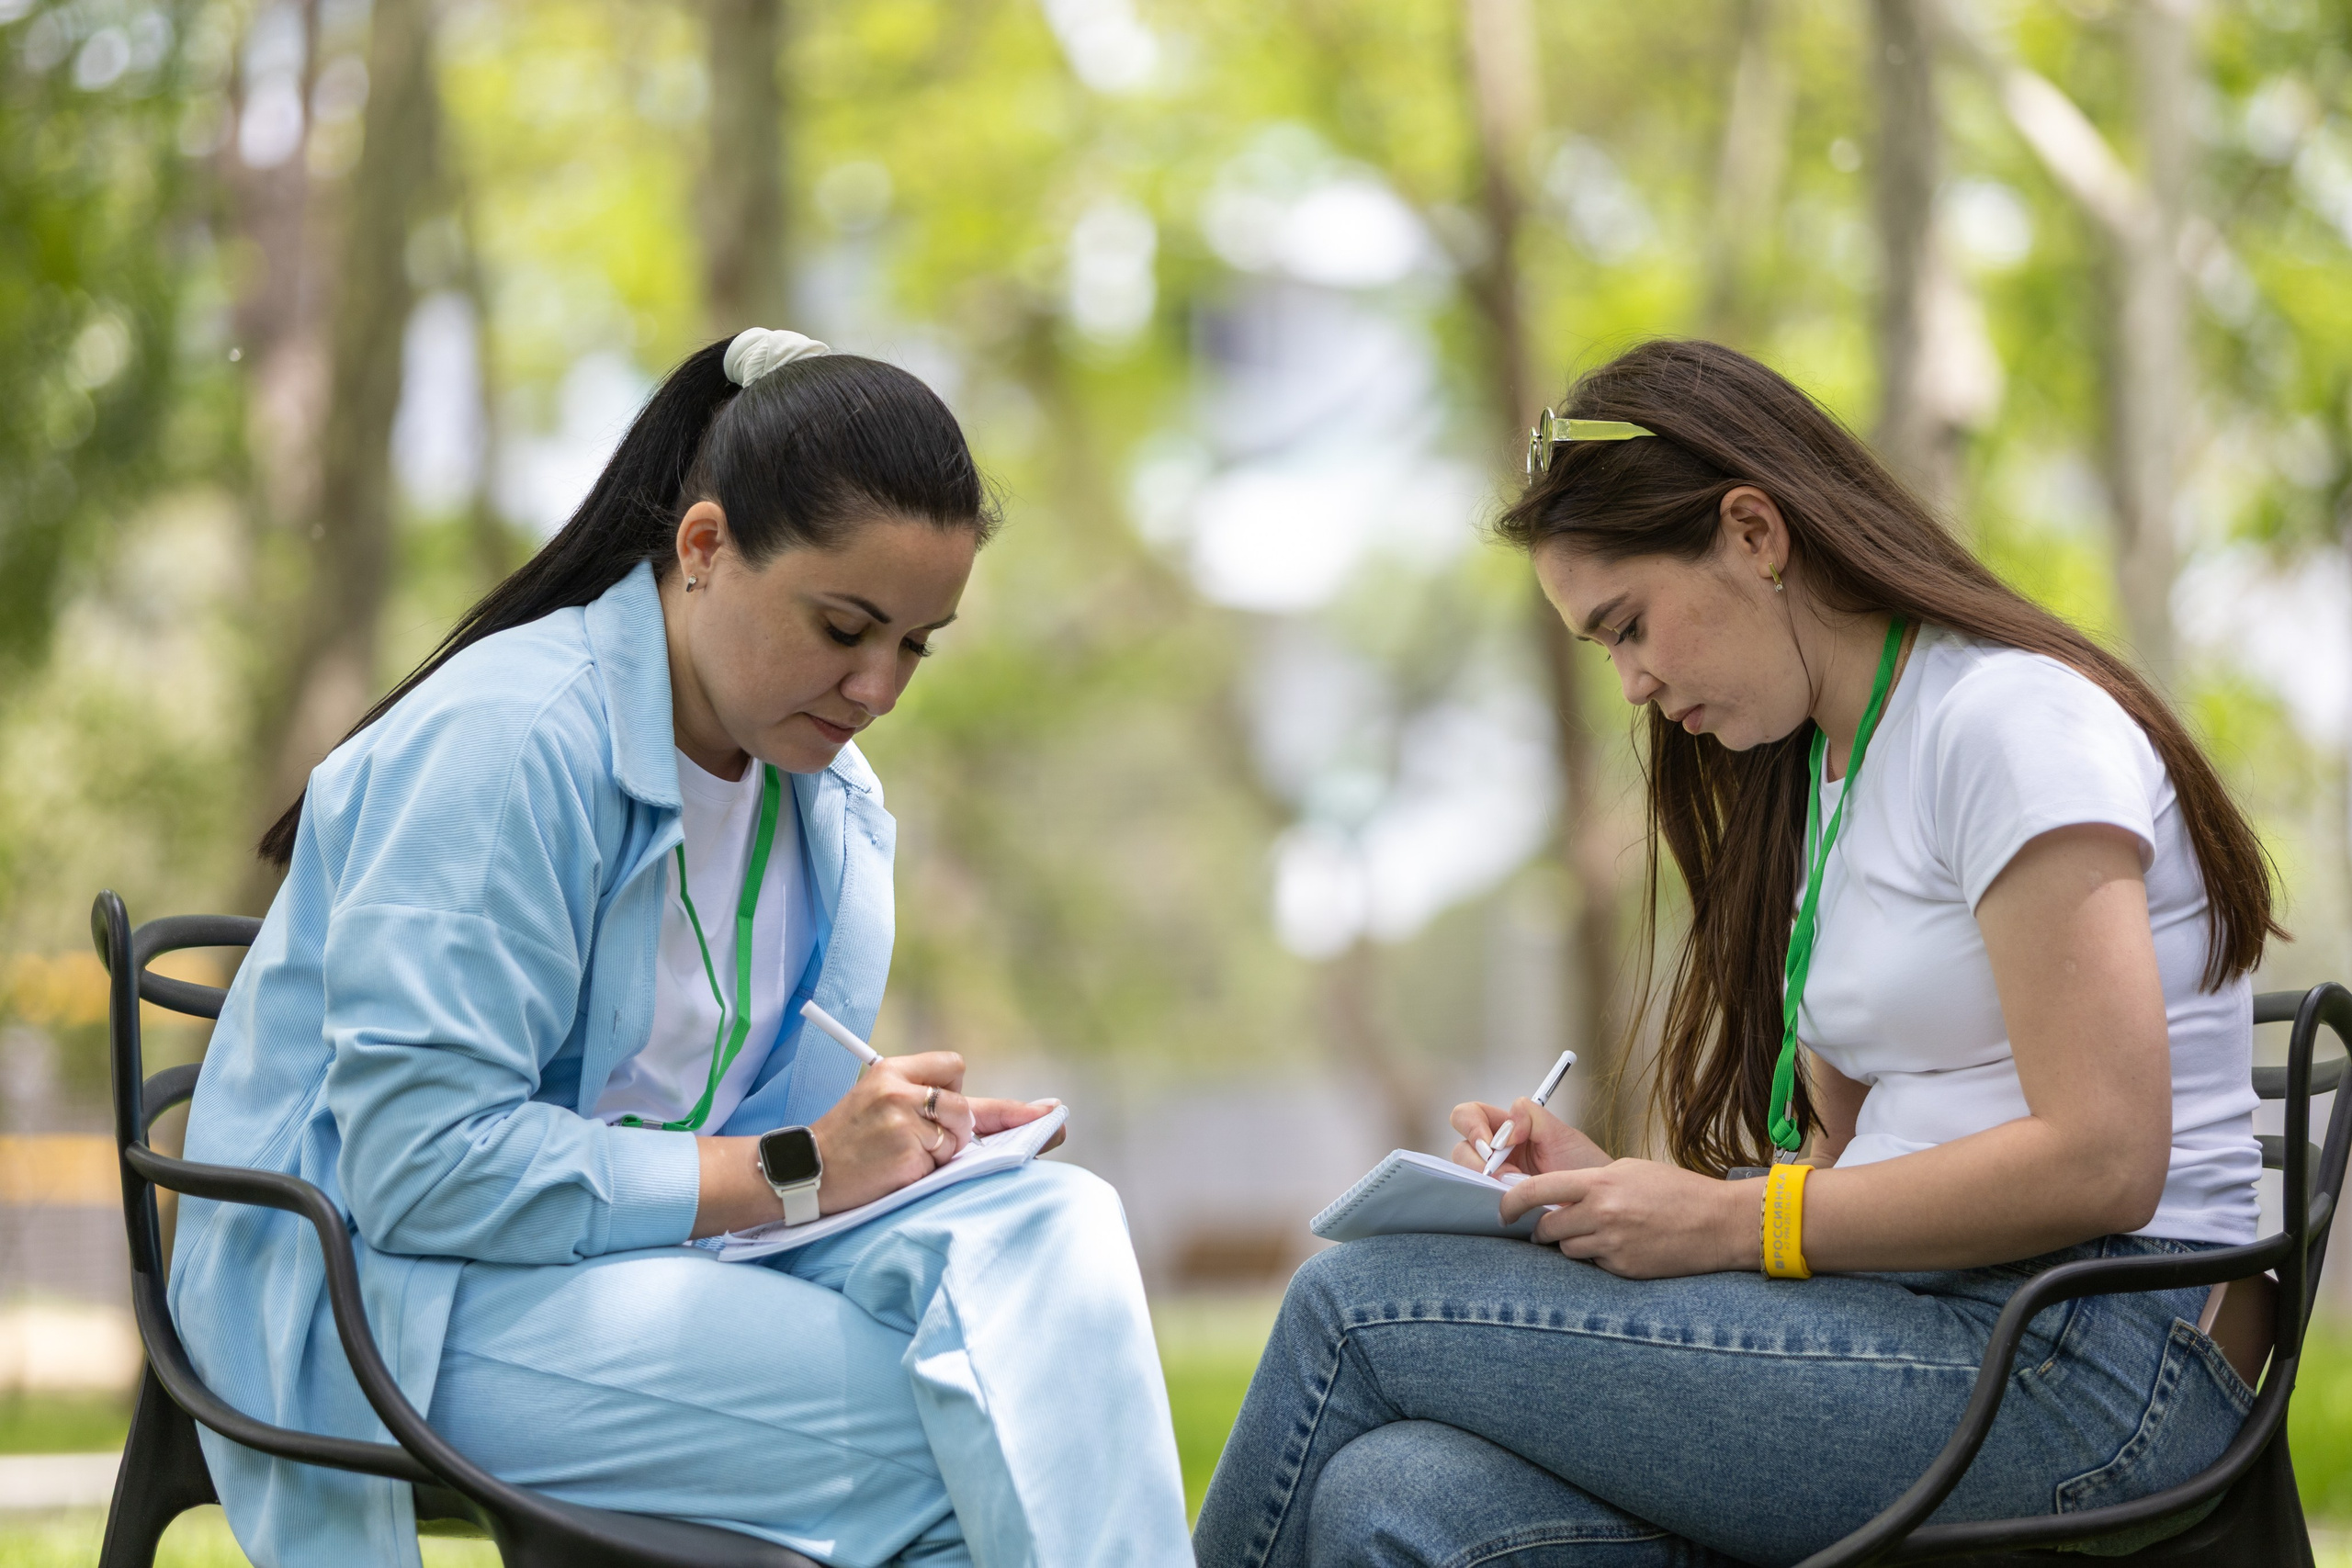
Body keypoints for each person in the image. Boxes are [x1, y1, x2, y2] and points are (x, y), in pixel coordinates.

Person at [1193, 339, 2274, 1567]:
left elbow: (2106, 1158)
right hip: (1930, 1320)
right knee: (1389, 1496)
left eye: (1629, 626)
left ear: (1755, 534)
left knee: (1352, 1308)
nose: (1632, 683)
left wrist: (1727, 1221)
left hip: (2092, 1362)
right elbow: (1856, 1162)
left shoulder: (2010, 722)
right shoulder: (1837, 771)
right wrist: (1615, 1199)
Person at [171, 329, 1193, 1568]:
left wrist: (893, 1154)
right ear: (703, 548)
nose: (878, 688)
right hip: (395, 1291)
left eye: (916, 644)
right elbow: (422, 1172)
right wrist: (802, 1165)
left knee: (1054, 1225)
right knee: (980, 1441)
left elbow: (769, 1144)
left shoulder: (826, 802)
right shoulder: (511, 743)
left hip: (653, 1256)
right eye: (845, 627)